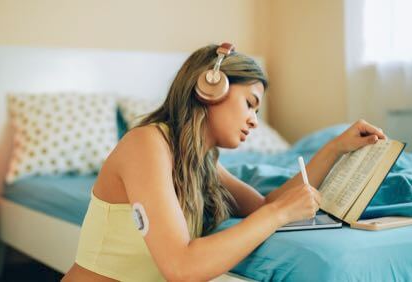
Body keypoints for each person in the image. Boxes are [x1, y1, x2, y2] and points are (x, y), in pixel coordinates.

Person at [62, 43, 386, 281]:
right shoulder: (146, 144)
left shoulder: (201, 162)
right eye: (250, 104)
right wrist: (278, 213)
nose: (254, 121)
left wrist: (334, 149)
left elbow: (262, 206)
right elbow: (181, 267)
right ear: (211, 87)